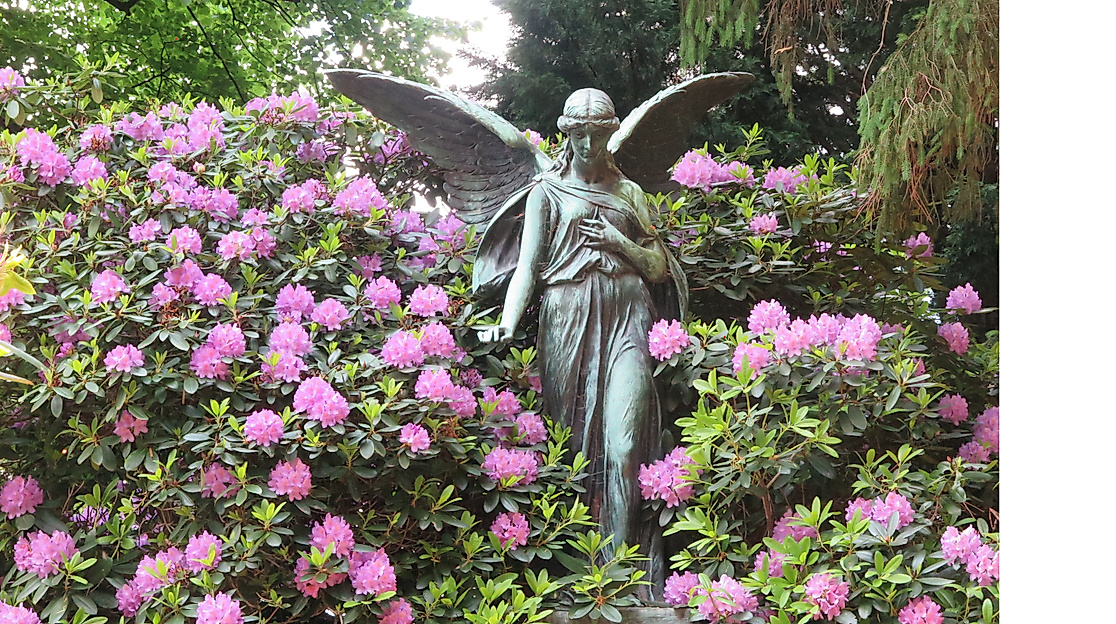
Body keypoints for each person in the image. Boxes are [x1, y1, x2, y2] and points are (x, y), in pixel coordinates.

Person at [476, 88, 688, 596]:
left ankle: (620, 578)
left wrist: (619, 243)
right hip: (567, 318)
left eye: (598, 134)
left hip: (628, 314)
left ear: (611, 132)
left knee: (623, 444)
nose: (588, 145)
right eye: (579, 135)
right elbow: (528, 266)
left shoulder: (630, 193)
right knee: (570, 450)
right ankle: (577, 578)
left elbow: (659, 267)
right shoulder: (545, 193)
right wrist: (507, 320)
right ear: (565, 133)